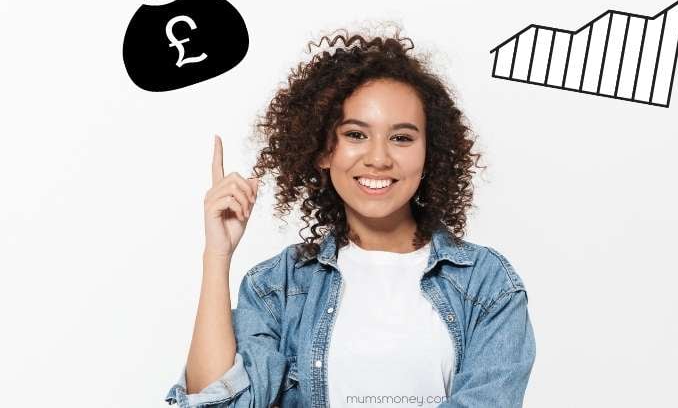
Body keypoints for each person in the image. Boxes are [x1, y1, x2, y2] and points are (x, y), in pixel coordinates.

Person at [164, 27, 536, 408]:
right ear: (324, 151)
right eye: (356, 135)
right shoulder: (281, 285)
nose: (378, 158)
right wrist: (217, 257)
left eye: (402, 138)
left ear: (430, 154)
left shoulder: (486, 282)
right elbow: (217, 404)